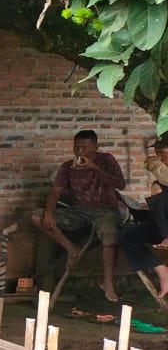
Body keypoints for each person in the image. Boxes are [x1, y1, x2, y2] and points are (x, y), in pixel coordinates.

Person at [31, 128, 126, 302]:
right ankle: (71, 249)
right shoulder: (67, 167)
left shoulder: (106, 160)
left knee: (110, 235)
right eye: (76, 147)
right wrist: (49, 213)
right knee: (37, 217)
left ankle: (108, 282)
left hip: (105, 210)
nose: (80, 151)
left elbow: (120, 184)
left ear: (96, 147)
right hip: (79, 211)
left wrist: (94, 168)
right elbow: (55, 192)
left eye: (84, 147)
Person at [118, 133, 168, 297]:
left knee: (157, 188)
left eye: (162, 153)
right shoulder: (160, 181)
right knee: (127, 235)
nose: (159, 158)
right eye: (157, 153)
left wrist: (155, 165)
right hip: (164, 230)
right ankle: (162, 271)